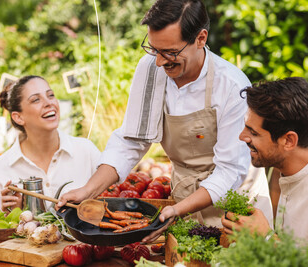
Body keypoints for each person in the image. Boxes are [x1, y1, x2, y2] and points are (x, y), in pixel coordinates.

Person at [57, 0, 272, 237]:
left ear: (201, 39)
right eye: (153, 49)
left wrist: (178, 209)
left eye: (170, 52)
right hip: (183, 200)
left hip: (236, 209)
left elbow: (230, 171)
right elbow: (132, 140)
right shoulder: (150, 68)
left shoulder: (231, 85)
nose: (159, 61)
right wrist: (88, 190)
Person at [0, 75, 100, 222]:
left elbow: (114, 204)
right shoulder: (3, 167)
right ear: (18, 117)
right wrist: (11, 215)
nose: (49, 103)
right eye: (36, 100)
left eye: (51, 95)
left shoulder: (86, 151)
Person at [221, 77, 308, 241]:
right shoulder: (289, 173)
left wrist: (266, 237)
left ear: (288, 141)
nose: (242, 137)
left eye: (253, 133)